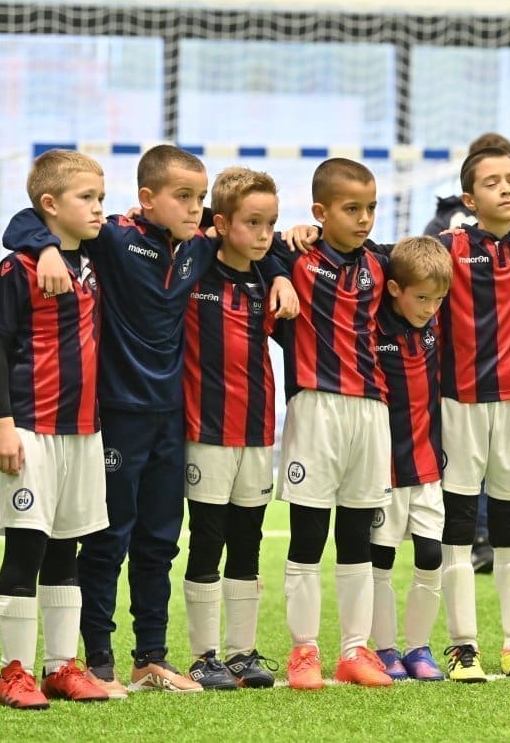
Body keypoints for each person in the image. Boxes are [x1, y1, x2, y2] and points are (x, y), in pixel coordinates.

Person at [2, 145, 297, 697]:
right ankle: (98, 661)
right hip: (116, 416)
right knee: (108, 541)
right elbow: (29, 217)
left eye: (200, 198)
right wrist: (43, 247)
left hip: (173, 419)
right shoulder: (114, 238)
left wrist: (279, 274)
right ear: (146, 199)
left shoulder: (198, 246)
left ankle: (151, 659)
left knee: (160, 542)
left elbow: (260, 238)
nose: (196, 207)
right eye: (183, 196)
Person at [0, 149, 111, 708]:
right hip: (30, 428)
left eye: (102, 197)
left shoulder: (96, 257)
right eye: (87, 198)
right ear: (51, 204)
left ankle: (60, 667)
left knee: (65, 551)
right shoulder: (20, 267)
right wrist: (2, 426)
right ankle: (14, 672)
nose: (99, 208)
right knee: (26, 550)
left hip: (83, 432)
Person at [271, 157, 395, 690]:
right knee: (308, 533)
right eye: (351, 209)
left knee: (357, 535)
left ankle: (354, 650)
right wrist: (290, 238)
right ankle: (304, 651)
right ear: (321, 212)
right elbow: (231, 226)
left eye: (371, 208)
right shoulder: (295, 257)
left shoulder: (382, 263)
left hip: (371, 409)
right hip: (315, 406)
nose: (364, 218)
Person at [437, 146, 510, 682]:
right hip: (459, 403)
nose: (506, 188)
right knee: (460, 528)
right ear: (468, 199)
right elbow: (383, 254)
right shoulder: (448, 247)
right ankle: (463, 648)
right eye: (492, 183)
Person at [179, 167, 284, 690]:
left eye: (271, 224)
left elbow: (291, 247)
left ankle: (242, 653)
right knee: (207, 539)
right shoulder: (194, 269)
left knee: (248, 540)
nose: (264, 234)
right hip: (207, 431)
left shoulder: (270, 278)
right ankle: (204, 657)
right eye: (253, 223)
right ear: (220, 224)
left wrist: (282, 269)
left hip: (258, 431)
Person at [368, 236, 452, 682]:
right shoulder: (374, 323)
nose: (430, 308)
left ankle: (419, 647)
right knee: (380, 560)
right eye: (422, 298)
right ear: (395, 288)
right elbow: (371, 253)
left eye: (438, 300)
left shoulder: (435, 324)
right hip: (385, 468)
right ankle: (384, 648)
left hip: (427, 464)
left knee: (431, 555)